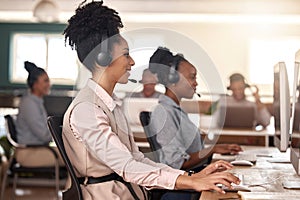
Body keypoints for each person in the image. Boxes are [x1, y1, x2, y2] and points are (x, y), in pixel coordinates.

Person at [62, 1, 240, 200]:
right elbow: (127, 167)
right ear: (102, 58)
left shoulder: (107, 104)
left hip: (128, 193)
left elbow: (136, 159)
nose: (132, 62)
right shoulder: (87, 110)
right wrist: (191, 182)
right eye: (126, 54)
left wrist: (190, 176)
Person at [148, 47, 242, 171]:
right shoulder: (164, 113)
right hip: (188, 182)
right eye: (192, 77)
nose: (196, 83)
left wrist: (216, 148)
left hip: (197, 174)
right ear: (173, 79)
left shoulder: (176, 110)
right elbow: (176, 163)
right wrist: (212, 149)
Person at [15, 61, 63, 167]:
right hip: (28, 153)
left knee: (73, 155)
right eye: (45, 81)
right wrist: (61, 133)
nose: (49, 84)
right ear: (35, 84)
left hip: (37, 149)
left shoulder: (36, 101)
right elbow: (44, 136)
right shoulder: (29, 104)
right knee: (73, 157)